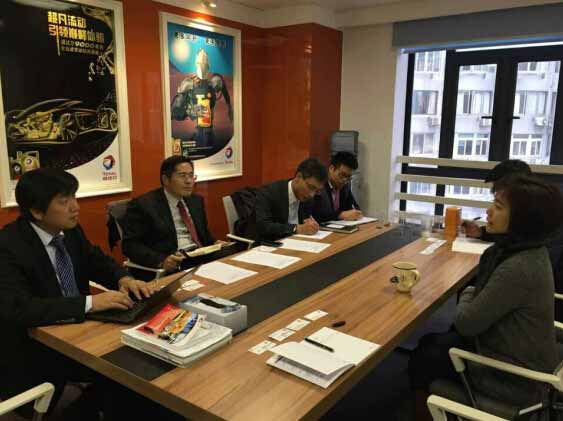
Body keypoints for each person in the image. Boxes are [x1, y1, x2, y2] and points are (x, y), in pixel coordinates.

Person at [0, 168, 153, 418]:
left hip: (82, 332)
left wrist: (124, 278)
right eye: (64, 201)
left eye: (74, 197)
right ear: (36, 211)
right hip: (36, 351)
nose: (76, 207)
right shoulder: (8, 246)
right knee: (124, 381)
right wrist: (90, 303)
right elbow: (19, 308)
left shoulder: (69, 230)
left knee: (141, 367)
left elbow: (95, 260)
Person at [407, 175, 563, 419]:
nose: (488, 211)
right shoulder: (530, 250)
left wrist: (470, 290)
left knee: (424, 356)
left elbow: (466, 323)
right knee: (431, 342)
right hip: (523, 354)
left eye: (498, 206)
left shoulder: (518, 267)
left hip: (513, 379)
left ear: (522, 220)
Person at [122, 156, 226, 278]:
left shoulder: (196, 201)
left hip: (199, 257)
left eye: (191, 175)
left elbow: (204, 235)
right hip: (175, 264)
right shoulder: (144, 205)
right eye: (182, 176)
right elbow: (130, 246)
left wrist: (215, 243)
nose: (189, 181)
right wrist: (162, 260)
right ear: (166, 179)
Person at [255, 157, 327, 241]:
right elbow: (263, 226)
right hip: (269, 243)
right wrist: (296, 228)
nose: (312, 194)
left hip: (296, 242)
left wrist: (311, 226)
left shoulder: (308, 198)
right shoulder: (269, 193)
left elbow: (306, 220)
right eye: (310, 187)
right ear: (298, 177)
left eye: (317, 191)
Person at [306, 151, 362, 223]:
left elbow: (353, 207)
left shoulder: (345, 186)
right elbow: (316, 214)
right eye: (342, 175)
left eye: (348, 177)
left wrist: (356, 213)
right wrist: (340, 215)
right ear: (331, 168)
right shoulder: (319, 185)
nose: (344, 180)